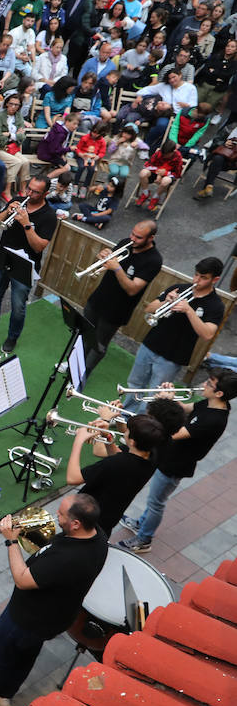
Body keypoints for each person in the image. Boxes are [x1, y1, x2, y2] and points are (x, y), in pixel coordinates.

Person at [0, 493, 107, 706]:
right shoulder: (98, 538)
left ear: (76, 523)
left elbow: (23, 579)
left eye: (61, 514)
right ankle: (4, 695)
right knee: (24, 657)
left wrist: (11, 541)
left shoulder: (68, 558)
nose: (56, 515)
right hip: (54, 618)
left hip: (25, 617)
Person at [118, 370, 235, 553]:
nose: (204, 384)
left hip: (176, 465)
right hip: (169, 456)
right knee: (153, 499)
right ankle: (141, 524)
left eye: (209, 383)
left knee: (156, 502)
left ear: (220, 393)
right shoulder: (210, 403)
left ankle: (144, 539)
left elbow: (175, 433)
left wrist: (164, 405)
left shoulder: (213, 419)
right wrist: (169, 400)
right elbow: (184, 409)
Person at [118, 258, 225, 414]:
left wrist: (189, 310)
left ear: (215, 279)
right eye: (196, 275)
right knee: (134, 384)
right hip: (150, 345)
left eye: (203, 278)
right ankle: (124, 416)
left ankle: (138, 424)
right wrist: (165, 302)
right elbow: (149, 308)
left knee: (155, 395)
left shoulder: (216, 305)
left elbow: (207, 334)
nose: (196, 280)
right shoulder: (179, 288)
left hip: (172, 357)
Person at [0, 176, 57, 353]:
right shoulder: (18, 200)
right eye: (29, 189)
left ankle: (12, 337)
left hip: (25, 265)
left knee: (18, 306)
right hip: (2, 257)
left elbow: (39, 247)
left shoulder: (49, 216)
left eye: (35, 192)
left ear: (45, 193)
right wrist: (6, 212)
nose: (29, 194)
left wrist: (26, 224)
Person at [65, 406, 167, 537]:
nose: (124, 432)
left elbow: (73, 479)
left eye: (127, 431)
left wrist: (78, 441)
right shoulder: (152, 454)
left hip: (85, 520)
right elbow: (118, 454)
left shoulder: (117, 463)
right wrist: (107, 436)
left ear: (132, 441)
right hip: (107, 519)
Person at [80, 221, 162, 381]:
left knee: (99, 344)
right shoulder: (126, 243)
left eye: (138, 237)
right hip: (97, 300)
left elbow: (132, 289)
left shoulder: (154, 260)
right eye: (132, 233)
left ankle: (85, 372)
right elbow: (107, 264)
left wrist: (117, 268)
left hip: (116, 310)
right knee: (84, 334)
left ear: (151, 238)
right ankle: (74, 364)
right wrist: (102, 257)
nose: (132, 239)